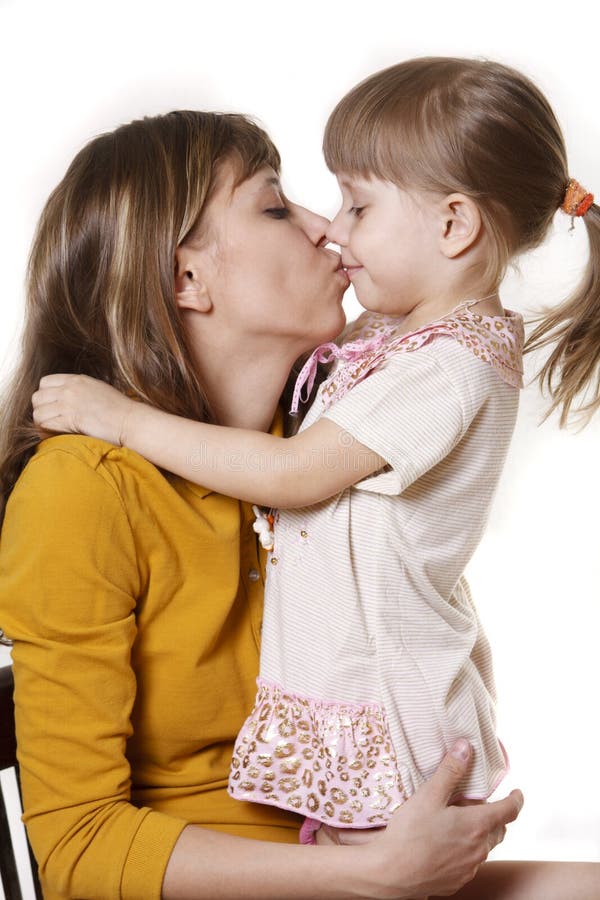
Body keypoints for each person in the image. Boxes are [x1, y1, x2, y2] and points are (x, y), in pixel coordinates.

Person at [29, 58, 600, 898]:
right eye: (276, 205)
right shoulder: (85, 487)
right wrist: (371, 875)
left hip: (364, 842)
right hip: (286, 870)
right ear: (186, 278)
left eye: (349, 206)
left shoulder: (306, 437)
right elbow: (74, 849)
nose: (328, 229)